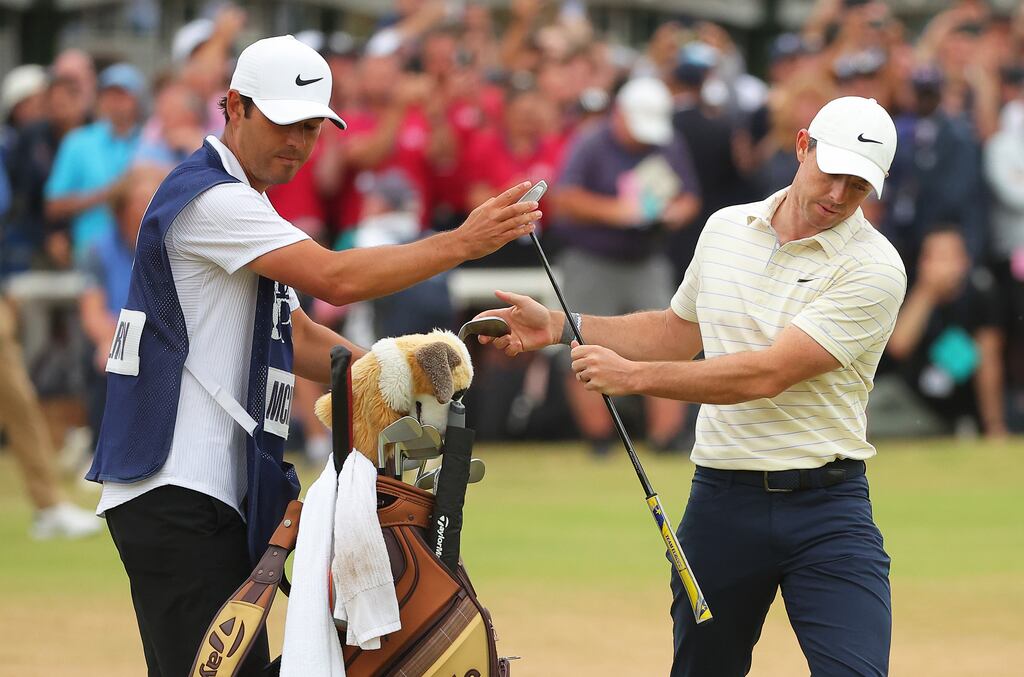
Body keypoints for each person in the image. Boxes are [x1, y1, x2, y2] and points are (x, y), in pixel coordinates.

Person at [85, 35, 540, 676]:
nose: (298, 142)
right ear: (235, 107)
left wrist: (394, 375)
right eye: (283, 122)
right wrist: (461, 243)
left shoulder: (243, 202)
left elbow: (293, 335)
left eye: (311, 128)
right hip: (178, 485)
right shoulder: (210, 199)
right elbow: (337, 279)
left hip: (207, 489)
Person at [478, 96, 906, 676]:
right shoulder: (726, 228)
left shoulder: (875, 268)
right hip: (721, 503)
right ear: (802, 146)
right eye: (833, 173)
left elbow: (767, 373)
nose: (838, 196)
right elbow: (676, 333)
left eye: (858, 187)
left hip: (828, 509)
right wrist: (559, 325)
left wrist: (634, 379)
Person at [551, 76, 701, 455]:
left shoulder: (668, 143)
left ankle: (666, 438)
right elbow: (563, 199)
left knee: (670, 342)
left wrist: (673, 213)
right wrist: (615, 212)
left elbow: (690, 197)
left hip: (646, 257)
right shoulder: (590, 143)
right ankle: (600, 438)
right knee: (580, 342)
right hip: (592, 259)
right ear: (619, 115)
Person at [869, 225, 1006, 438]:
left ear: (964, 261)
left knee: (868, 427)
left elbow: (988, 362)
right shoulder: (913, 291)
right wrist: (927, 292)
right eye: (933, 257)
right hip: (904, 393)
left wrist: (994, 425)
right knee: (859, 411)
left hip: (942, 411)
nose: (941, 266)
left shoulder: (979, 297)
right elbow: (898, 346)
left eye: (949, 257)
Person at [44, 63, 146, 261]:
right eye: (109, 95)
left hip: (140, 249)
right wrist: (108, 195)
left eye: (123, 95)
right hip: (91, 250)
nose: (115, 102)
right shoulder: (77, 142)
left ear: (137, 100)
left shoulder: (150, 140)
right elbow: (53, 206)